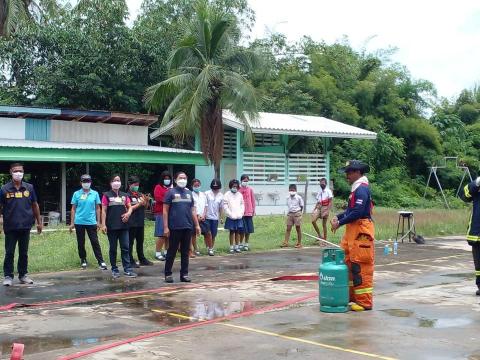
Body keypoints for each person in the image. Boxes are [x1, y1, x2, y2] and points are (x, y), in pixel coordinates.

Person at [331, 160, 375, 312]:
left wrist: (340, 223)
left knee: (360, 266)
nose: (347, 175)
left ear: (358, 172)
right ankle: (352, 297)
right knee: (348, 263)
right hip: (352, 231)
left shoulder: (362, 189)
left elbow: (357, 212)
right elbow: (350, 211)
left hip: (361, 231)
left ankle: (364, 302)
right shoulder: (355, 190)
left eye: (349, 172)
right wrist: (339, 216)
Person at [1, 163, 42, 286]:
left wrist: (39, 222)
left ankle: (23, 275)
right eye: (15, 171)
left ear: (23, 172)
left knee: (24, 252)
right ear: (11, 172)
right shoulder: (4, 189)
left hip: (25, 226)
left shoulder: (29, 188)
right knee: (9, 252)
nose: (18, 173)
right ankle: (8, 276)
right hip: (10, 226)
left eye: (20, 171)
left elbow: (35, 205)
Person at [163, 172, 200, 283]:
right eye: (180, 178)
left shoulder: (189, 193)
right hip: (174, 227)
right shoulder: (170, 192)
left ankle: (184, 274)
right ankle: (168, 274)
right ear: (175, 179)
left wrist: (197, 224)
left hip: (187, 226)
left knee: (185, 252)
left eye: (184, 178)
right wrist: (165, 227)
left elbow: (192, 210)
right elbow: (165, 211)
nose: (182, 180)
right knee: (172, 251)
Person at [101, 175, 137, 278]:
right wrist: (103, 224)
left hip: (124, 226)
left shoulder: (124, 195)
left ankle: (127, 269)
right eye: (115, 180)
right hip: (111, 226)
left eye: (118, 180)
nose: (117, 182)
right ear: (111, 183)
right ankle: (114, 269)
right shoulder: (106, 195)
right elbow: (103, 210)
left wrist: (128, 214)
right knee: (113, 249)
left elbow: (130, 207)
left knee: (125, 248)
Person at [69, 174, 107, 270]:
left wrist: (98, 222)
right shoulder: (76, 194)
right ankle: (83, 259)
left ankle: (101, 261)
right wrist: (72, 223)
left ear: (91, 182)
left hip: (91, 222)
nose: (86, 183)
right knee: (81, 242)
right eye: (84, 181)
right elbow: (73, 209)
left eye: (88, 181)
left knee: (95, 241)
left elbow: (98, 208)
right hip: (79, 222)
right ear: (81, 182)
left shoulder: (95, 193)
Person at [127, 175, 153, 267]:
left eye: (138, 184)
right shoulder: (127, 196)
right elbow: (128, 208)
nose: (136, 186)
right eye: (135, 184)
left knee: (140, 241)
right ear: (130, 184)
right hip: (131, 222)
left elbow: (145, 207)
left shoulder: (139, 194)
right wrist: (139, 204)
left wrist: (146, 201)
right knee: (130, 242)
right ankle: (129, 260)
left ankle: (142, 258)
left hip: (140, 221)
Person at [460, 176, 480, 296]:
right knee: (478, 266)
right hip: (477, 234)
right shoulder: (476, 187)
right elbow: (464, 195)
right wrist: (476, 183)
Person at [153, 171, 172, 261]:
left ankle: (166, 252)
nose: (167, 180)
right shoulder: (158, 187)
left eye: (168, 178)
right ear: (162, 179)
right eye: (165, 178)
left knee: (168, 234)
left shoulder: (171, 189)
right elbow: (158, 198)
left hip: (170, 213)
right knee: (161, 234)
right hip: (160, 213)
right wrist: (169, 200)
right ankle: (157, 253)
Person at [223, 179, 245, 254]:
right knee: (232, 232)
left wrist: (241, 213)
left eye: (236, 186)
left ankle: (237, 246)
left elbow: (242, 204)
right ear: (230, 186)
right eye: (233, 186)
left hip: (238, 216)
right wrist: (230, 214)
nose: (235, 188)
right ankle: (231, 246)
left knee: (238, 232)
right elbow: (225, 206)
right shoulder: (227, 194)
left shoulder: (240, 194)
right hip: (231, 216)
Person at [282, 184, 304, 248]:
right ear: (289, 190)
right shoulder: (287, 198)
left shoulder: (298, 198)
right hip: (290, 213)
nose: (292, 191)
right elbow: (288, 206)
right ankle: (286, 242)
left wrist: (299, 213)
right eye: (290, 190)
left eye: (293, 190)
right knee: (288, 228)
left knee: (298, 228)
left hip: (297, 213)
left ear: (296, 190)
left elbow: (301, 206)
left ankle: (299, 243)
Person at [312, 178, 333, 242]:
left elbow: (330, 201)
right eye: (321, 183)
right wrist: (314, 209)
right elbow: (318, 201)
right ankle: (319, 235)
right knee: (313, 221)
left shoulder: (328, 191)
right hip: (319, 207)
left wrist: (327, 210)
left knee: (324, 224)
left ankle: (325, 239)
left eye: (323, 182)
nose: (321, 184)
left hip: (325, 207)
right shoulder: (320, 192)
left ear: (326, 183)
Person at [205, 179, 223, 256]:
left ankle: (211, 247)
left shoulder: (221, 195)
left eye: (217, 187)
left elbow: (221, 208)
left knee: (214, 234)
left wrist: (221, 217)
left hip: (215, 218)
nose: (215, 188)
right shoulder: (206, 193)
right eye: (214, 187)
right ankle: (209, 248)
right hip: (207, 216)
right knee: (207, 233)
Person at [191, 179, 208, 257]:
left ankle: (209, 248)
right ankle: (195, 249)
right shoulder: (190, 194)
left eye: (198, 185)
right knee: (193, 234)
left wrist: (204, 215)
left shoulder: (203, 194)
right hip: (194, 217)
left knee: (208, 232)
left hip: (203, 217)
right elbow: (192, 207)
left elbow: (206, 206)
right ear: (192, 186)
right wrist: (197, 216)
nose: (197, 187)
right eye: (195, 186)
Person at [239, 174, 255, 251]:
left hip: (249, 212)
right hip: (241, 213)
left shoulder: (250, 189)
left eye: (247, 181)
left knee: (248, 229)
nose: (245, 182)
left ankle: (246, 244)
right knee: (242, 229)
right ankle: (240, 243)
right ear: (241, 181)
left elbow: (253, 201)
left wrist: (253, 210)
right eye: (244, 181)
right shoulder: (238, 189)